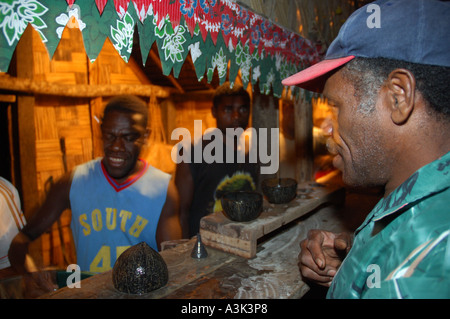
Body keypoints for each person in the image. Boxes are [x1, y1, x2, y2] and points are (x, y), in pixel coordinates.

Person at [282, 0, 450, 298]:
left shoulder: (419, 265)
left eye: (335, 106)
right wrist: (357, 261)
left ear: (398, 97)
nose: (326, 129)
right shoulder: (420, 202)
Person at [8, 95, 181, 273]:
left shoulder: (162, 189)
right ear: (101, 131)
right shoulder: (73, 182)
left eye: (128, 137)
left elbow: (174, 264)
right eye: (109, 135)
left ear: (145, 136)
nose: (116, 146)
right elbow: (22, 238)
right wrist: (29, 278)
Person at [175, 82, 260, 238]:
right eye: (228, 109)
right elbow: (181, 212)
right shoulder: (192, 150)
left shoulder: (253, 151)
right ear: (214, 111)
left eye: (243, 109)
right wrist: (187, 251)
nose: (236, 116)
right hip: (204, 245)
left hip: (244, 241)